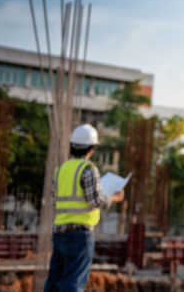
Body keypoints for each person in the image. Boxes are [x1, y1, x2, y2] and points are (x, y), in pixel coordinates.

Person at [44, 124, 124, 292]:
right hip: (79, 234)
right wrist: (115, 198)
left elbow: (54, 198)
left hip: (59, 232)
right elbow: (95, 200)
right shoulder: (88, 169)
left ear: (72, 146)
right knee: (74, 282)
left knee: (54, 281)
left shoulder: (60, 170)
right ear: (91, 149)